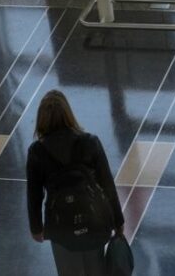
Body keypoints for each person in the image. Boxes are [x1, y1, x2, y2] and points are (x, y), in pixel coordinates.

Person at [27, 90, 124, 276]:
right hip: (94, 221)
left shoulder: (37, 152)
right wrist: (118, 222)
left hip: (61, 228)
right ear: (68, 113)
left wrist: (36, 227)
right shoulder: (90, 142)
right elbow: (107, 185)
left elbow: (34, 194)